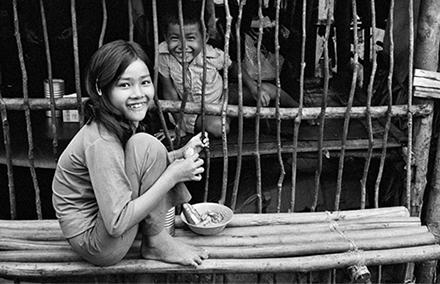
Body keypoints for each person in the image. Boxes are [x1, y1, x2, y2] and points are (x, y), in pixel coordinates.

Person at [52, 40, 209, 268]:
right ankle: (157, 242)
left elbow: (130, 165)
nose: (138, 94)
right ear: (100, 88)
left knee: (146, 146)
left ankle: (157, 240)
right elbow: (116, 223)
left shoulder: (117, 121)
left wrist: (180, 155)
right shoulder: (101, 141)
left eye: (144, 82)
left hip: (103, 224)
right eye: (125, 85)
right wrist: (172, 176)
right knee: (146, 145)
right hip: (98, 244)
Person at [158, 6, 299, 138]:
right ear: (166, 37)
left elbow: (234, 67)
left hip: (224, 96)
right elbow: (170, 93)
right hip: (193, 114)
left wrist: (253, 87)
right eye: (175, 38)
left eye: (190, 38)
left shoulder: (212, 54)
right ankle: (231, 116)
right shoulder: (163, 56)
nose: (183, 47)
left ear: (204, 38)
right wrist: (179, 127)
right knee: (220, 128)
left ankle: (301, 111)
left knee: (268, 89)